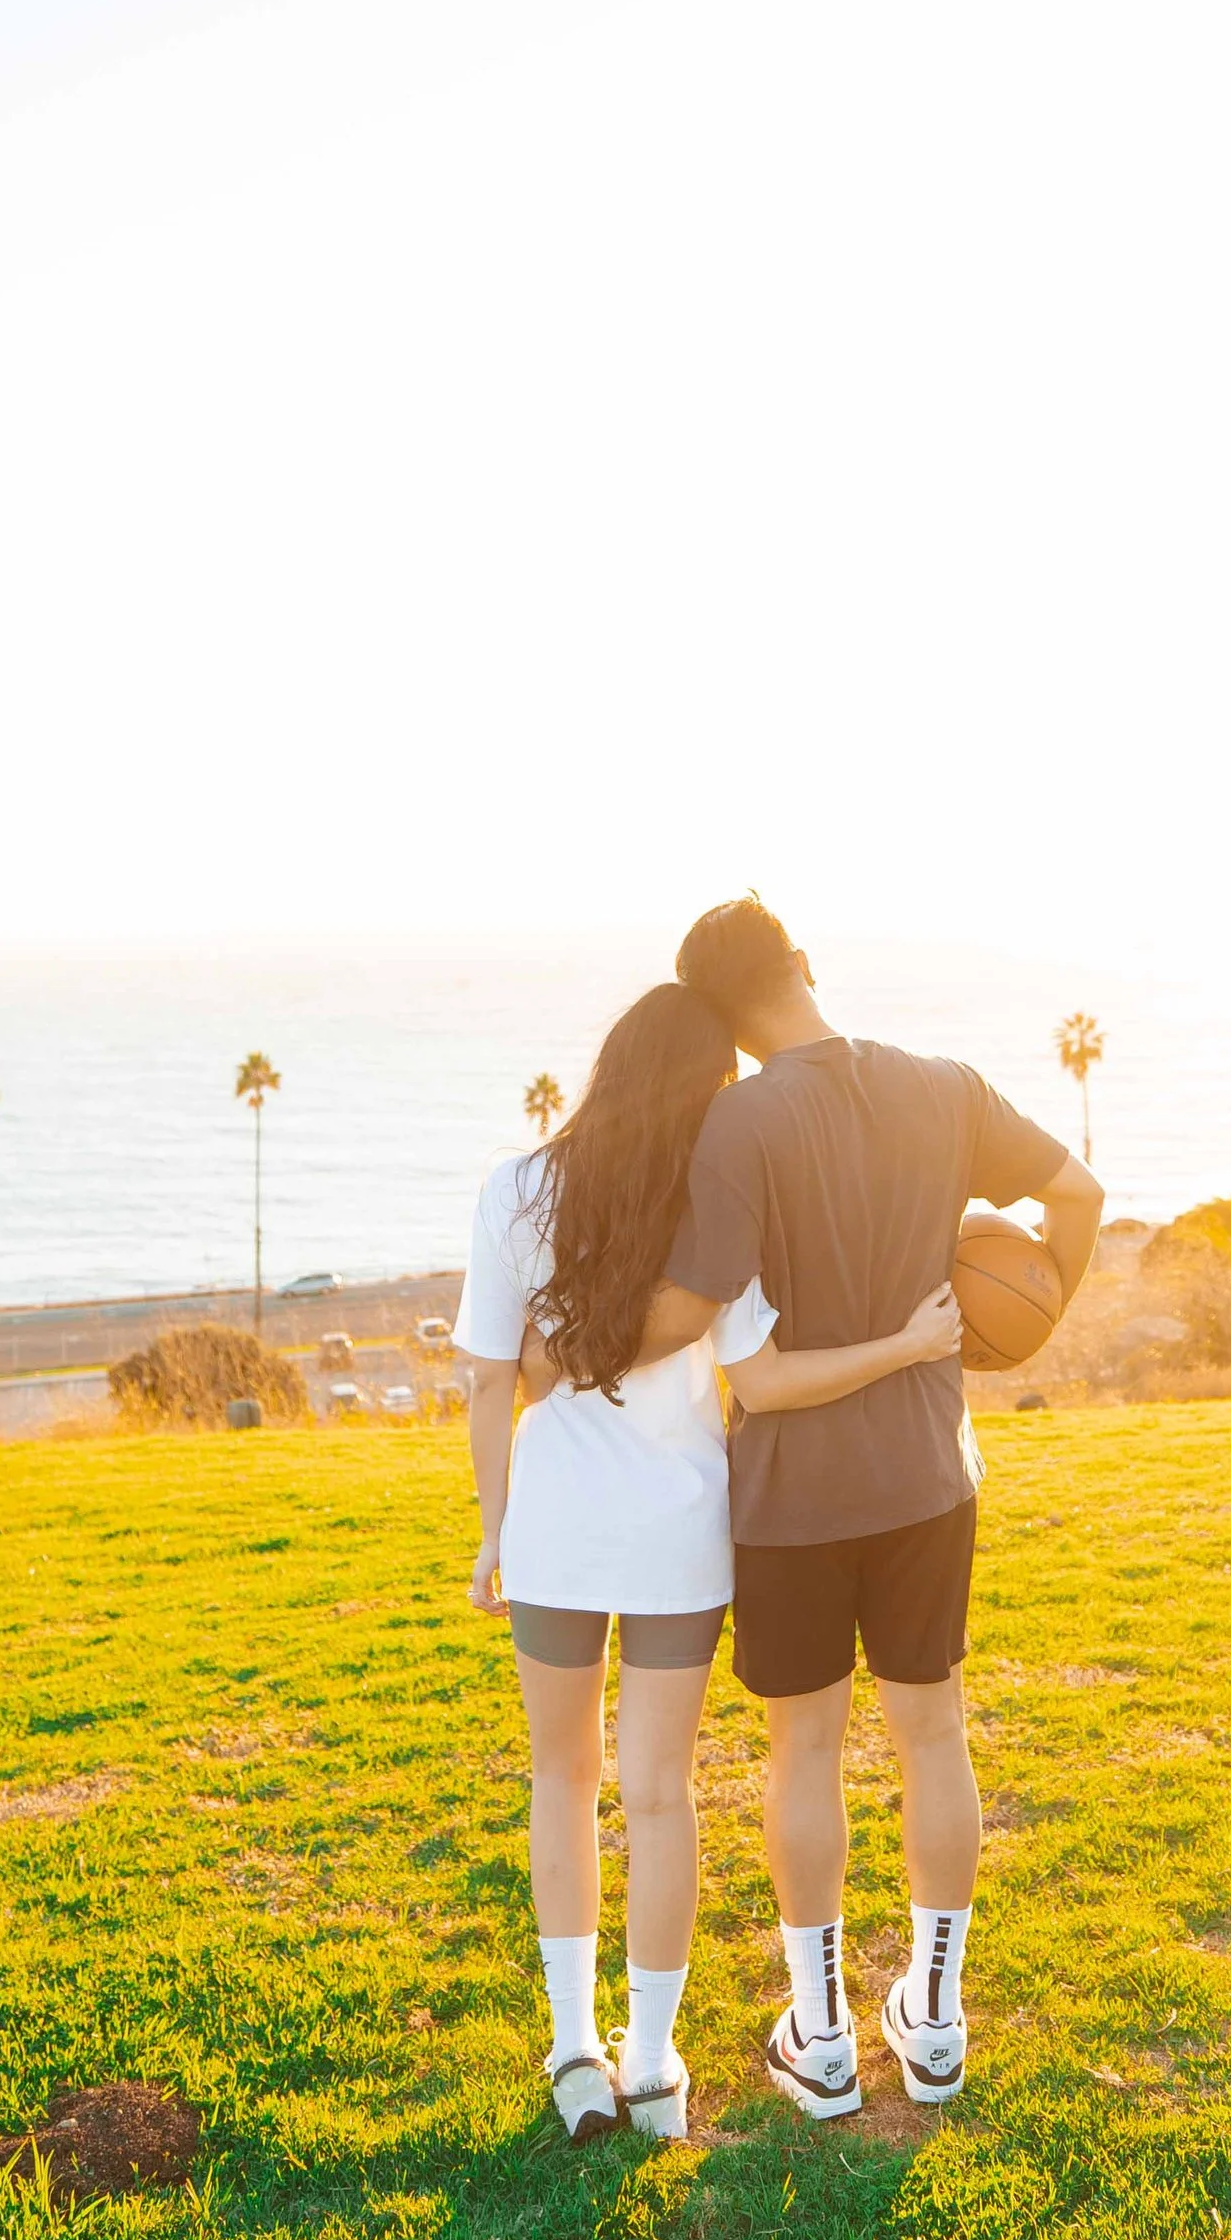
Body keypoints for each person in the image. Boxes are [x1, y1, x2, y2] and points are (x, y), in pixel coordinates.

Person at [457, 982, 964, 2145]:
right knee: (659, 1794)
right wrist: (910, 1343)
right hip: (680, 1533)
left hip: (553, 1533)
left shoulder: (514, 1187)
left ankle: (573, 2052)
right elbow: (769, 1381)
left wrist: (491, 1528)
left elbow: (495, 1376)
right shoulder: (713, 1204)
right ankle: (652, 2068)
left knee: (559, 1783)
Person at [627, 898, 1102, 2121]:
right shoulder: (945, 1087)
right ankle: (934, 2026)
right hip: (927, 1480)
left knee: (806, 1751)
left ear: (723, 1024)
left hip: (789, 1495)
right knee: (932, 1734)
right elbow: (1080, 1194)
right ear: (803, 966)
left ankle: (825, 2038)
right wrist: (1023, 1329)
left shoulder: (737, 1121)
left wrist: (558, 1350)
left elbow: (698, 1300)